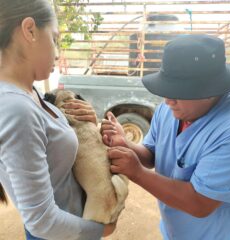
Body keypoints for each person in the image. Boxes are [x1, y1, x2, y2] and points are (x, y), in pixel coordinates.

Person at [101, 34, 230, 240]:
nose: (168, 100)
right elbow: (151, 155)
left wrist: (137, 173)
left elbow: (199, 203)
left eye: (178, 91)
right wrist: (126, 144)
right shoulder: (169, 110)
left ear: (211, 91)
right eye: (167, 89)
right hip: (175, 232)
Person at [0, 0, 115, 239]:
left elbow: (50, 149)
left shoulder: (30, 93)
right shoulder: (16, 108)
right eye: (54, 39)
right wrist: (100, 230)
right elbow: (41, 221)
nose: (57, 51)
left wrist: (87, 127)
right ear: (29, 30)